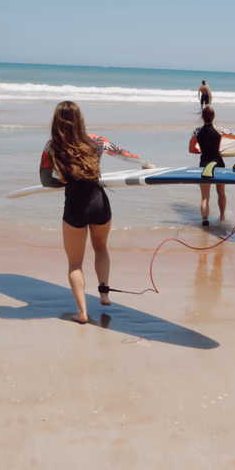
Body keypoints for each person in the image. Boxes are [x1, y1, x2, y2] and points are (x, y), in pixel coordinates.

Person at [40, 101, 153, 323]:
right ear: (80, 119)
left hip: (74, 206)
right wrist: (146, 164)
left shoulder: (51, 146)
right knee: (100, 247)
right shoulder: (97, 141)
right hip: (99, 202)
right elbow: (123, 154)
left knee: (75, 264)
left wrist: (65, 183)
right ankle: (104, 294)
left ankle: (82, 313)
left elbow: (45, 181)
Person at [189, 105, 235, 226]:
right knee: (221, 191)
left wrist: (200, 150)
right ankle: (222, 217)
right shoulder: (219, 130)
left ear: (202, 117)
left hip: (204, 165)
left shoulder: (196, 131)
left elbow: (192, 149)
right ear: (213, 117)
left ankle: (205, 222)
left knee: (205, 197)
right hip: (218, 164)